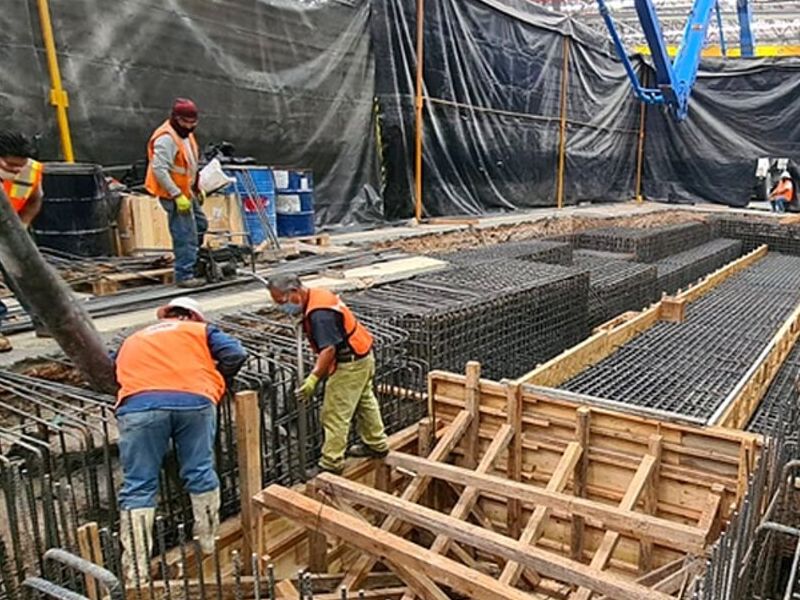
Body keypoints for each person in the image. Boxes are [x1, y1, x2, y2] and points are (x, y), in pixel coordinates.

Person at [114, 297, 247, 582]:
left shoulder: (133, 338)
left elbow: (115, 371)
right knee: (199, 470)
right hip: (194, 402)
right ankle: (209, 543)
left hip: (139, 407)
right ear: (194, 317)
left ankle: (135, 572)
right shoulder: (201, 331)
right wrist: (217, 381)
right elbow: (235, 355)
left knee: (138, 486)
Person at [268, 274, 389, 475]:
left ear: (294, 292)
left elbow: (328, 350)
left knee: (334, 413)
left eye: (282, 302)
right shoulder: (315, 296)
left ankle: (331, 463)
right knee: (364, 402)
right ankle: (377, 444)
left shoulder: (319, 314)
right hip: (363, 356)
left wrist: (314, 377)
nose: (281, 307)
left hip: (350, 363)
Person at [145, 98, 208, 288]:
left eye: (192, 123)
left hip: (186, 192)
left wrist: (196, 188)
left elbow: (189, 164)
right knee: (185, 233)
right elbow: (159, 170)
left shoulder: (186, 135)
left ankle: (193, 262)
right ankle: (184, 274)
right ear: (175, 118)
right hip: (173, 195)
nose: (189, 126)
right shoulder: (166, 138)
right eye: (185, 122)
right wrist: (176, 195)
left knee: (200, 224)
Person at [0, 131, 47, 351]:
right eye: (11, 166)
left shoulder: (31, 170)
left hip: (12, 230)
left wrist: (22, 227)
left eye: (21, 165)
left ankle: (44, 322)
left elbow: (35, 199)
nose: (17, 170)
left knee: (28, 279)